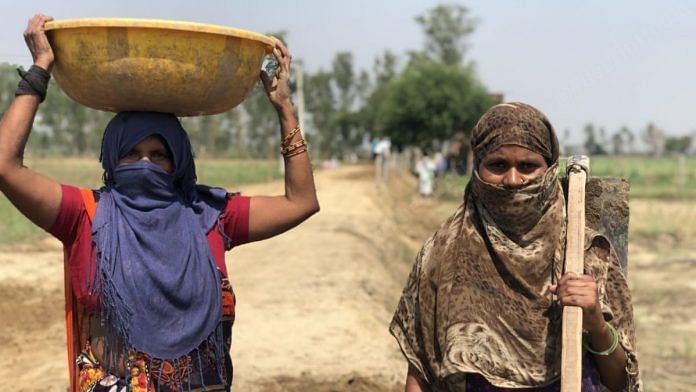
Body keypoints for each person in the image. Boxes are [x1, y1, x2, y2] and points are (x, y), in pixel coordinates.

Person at [0, 14, 319, 392]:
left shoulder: (210, 215)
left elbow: (301, 202)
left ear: (178, 161)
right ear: (112, 159)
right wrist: (40, 69)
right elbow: (5, 166)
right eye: (131, 154)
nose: (145, 163)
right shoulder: (84, 216)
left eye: (159, 154)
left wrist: (284, 109)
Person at [390, 103, 640, 391]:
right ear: (477, 168)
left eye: (527, 166)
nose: (512, 180)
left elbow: (620, 381)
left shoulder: (587, 253)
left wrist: (595, 322)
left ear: (548, 169)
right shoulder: (443, 254)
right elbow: (420, 372)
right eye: (498, 165)